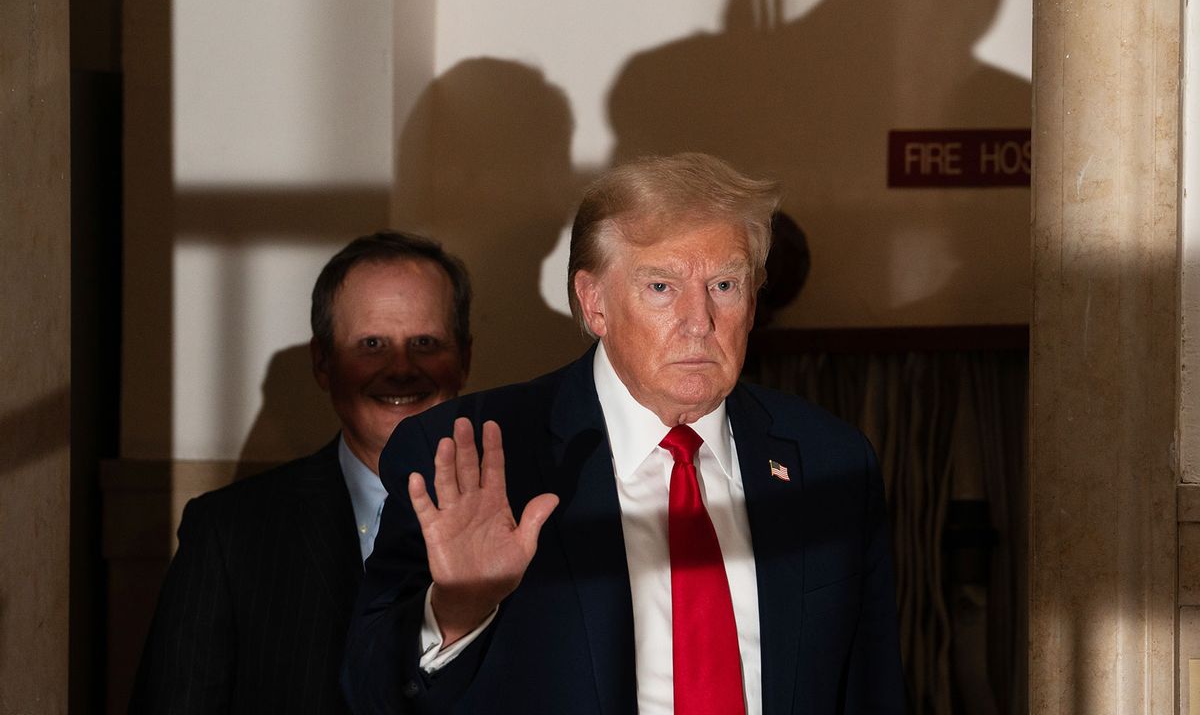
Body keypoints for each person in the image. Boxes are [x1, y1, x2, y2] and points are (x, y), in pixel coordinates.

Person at [342, 154, 906, 714]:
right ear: (595, 304)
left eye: (725, 285)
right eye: (661, 286)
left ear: (754, 300)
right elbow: (369, 694)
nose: (699, 320)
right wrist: (459, 610)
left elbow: (872, 688)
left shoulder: (831, 460)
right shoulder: (466, 452)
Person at [131, 231, 473, 714]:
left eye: (425, 342)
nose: (401, 368)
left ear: (464, 359)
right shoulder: (228, 535)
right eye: (371, 344)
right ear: (323, 363)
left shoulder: (529, 519)